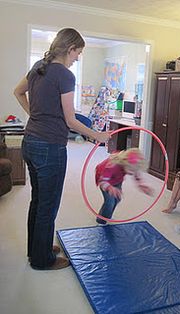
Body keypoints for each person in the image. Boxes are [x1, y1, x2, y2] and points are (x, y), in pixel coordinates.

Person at [13, 28, 110, 270]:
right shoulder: (65, 75)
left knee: (38, 200)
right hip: (50, 147)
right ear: (70, 49)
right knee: (48, 204)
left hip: (30, 142)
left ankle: (37, 248)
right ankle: (42, 260)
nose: (78, 57)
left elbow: (17, 92)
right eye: (78, 52)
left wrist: (35, 115)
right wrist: (97, 135)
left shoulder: (39, 66)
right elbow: (71, 120)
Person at [95, 148, 154, 225]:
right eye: (131, 171)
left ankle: (107, 215)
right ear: (125, 164)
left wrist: (140, 184)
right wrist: (110, 188)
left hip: (117, 180)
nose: (132, 173)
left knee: (117, 199)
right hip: (106, 182)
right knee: (109, 202)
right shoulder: (112, 166)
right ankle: (101, 221)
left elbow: (136, 174)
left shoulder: (130, 165)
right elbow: (102, 181)